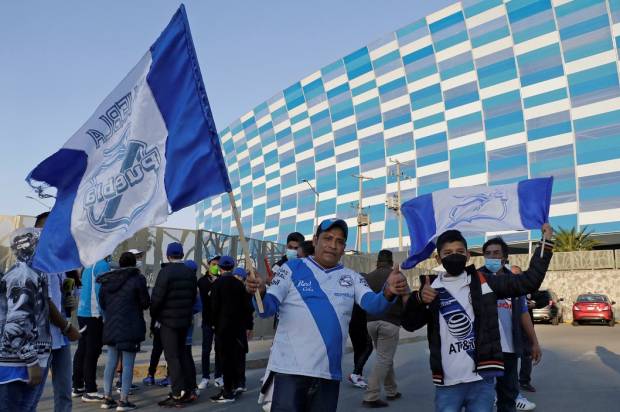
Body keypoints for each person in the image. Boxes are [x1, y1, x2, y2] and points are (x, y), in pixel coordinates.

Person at [246, 218, 409, 411]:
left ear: (344, 248)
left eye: (339, 241)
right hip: (289, 371)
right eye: (328, 238)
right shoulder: (290, 269)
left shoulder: (353, 277)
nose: (333, 245)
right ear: (315, 241)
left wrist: (388, 291)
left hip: (328, 375)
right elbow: (266, 309)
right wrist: (260, 292)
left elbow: (373, 305)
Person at [401, 225, 554, 412]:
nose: (454, 255)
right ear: (438, 258)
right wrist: (417, 299)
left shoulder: (483, 282)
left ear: (467, 256)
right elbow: (409, 324)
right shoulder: (430, 289)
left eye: (459, 251)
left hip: (482, 381)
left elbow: (528, 282)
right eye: (447, 252)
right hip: (447, 384)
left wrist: (545, 243)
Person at [480, 239, 541, 412]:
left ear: (505, 257)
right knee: (482, 397)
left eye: (496, 253)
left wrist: (534, 342)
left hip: (509, 349)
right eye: (488, 253)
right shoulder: (476, 280)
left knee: (508, 397)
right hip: (484, 350)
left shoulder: (515, 282)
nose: (492, 257)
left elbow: (523, 314)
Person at [0, 228, 52, 411]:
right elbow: (16, 324)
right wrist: (32, 362)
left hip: (21, 362)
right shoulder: (24, 276)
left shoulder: (29, 273)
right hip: (16, 365)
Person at [34, 212, 80, 412]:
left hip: (60, 340)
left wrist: (70, 297)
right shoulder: (35, 261)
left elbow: (67, 294)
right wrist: (67, 326)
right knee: (33, 395)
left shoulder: (61, 263)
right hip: (41, 338)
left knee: (64, 392)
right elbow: (44, 300)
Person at [98, 252, 150, 411]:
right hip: (130, 326)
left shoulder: (107, 280)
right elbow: (145, 303)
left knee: (111, 362)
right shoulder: (137, 280)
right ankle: (123, 400)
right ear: (134, 264)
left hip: (112, 325)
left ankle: (107, 398)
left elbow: (102, 302)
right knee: (127, 364)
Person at [150, 242, 198, 407]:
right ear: (182, 255)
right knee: (183, 353)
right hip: (184, 320)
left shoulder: (165, 272)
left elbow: (157, 298)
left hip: (168, 321)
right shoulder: (189, 273)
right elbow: (192, 297)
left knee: (172, 356)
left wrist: (154, 316)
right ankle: (189, 389)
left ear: (168, 255)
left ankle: (177, 393)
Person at [362, 250, 406, 407]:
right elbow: (406, 298)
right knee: (384, 358)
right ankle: (371, 396)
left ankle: (391, 390)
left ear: (378, 261)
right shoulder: (396, 276)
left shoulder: (368, 277)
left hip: (371, 322)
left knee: (384, 357)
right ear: (391, 261)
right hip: (390, 322)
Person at [209, 256, 253, 403]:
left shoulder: (217, 284)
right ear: (233, 267)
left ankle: (227, 392)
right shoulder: (239, 284)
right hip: (237, 328)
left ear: (220, 267)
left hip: (222, 327)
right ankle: (233, 386)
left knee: (224, 359)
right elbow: (247, 307)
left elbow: (214, 307)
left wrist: (213, 323)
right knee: (234, 357)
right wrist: (248, 326)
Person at [73, 257, 111, 401]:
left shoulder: (88, 264)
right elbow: (100, 291)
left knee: (82, 349)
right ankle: (90, 390)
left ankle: (77, 385)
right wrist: (104, 314)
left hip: (82, 312)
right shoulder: (102, 265)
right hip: (94, 314)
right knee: (92, 352)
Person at [197, 255, 221, 390]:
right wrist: (215, 282)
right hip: (207, 320)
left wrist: (218, 280)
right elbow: (207, 295)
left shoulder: (222, 280)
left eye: (218, 264)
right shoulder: (202, 281)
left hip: (220, 321)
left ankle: (218, 376)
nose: (216, 266)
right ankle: (205, 377)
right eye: (213, 263)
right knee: (206, 349)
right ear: (209, 264)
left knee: (219, 349)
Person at [515, 263, 538, 394]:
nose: (514, 277)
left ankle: (524, 381)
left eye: (517, 274)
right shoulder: (501, 287)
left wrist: (535, 303)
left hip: (525, 329)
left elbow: (544, 297)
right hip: (509, 330)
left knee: (526, 356)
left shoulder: (527, 288)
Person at [232, 267, 255, 394]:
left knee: (239, 356)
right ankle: (234, 381)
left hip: (241, 329)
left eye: (239, 277)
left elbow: (249, 312)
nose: (236, 279)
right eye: (235, 277)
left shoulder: (246, 293)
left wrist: (249, 327)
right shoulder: (228, 290)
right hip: (230, 329)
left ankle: (240, 382)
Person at [348, 301, 373, 390]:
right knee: (368, 348)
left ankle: (358, 376)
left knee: (358, 350)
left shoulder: (355, 296)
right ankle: (355, 374)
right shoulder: (363, 294)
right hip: (361, 324)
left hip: (352, 324)